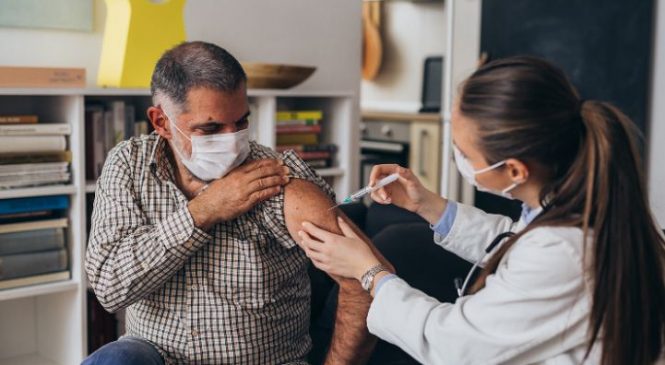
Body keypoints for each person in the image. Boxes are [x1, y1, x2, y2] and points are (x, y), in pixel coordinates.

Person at [297, 56, 665, 365]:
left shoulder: (563, 251)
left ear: (515, 170)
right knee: (381, 219)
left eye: (464, 152)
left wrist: (368, 272)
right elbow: (514, 239)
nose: (457, 158)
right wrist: (427, 204)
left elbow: (451, 344)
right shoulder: (572, 200)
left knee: (391, 240)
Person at [83, 41, 391, 364]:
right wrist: (205, 210)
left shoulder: (275, 179)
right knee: (116, 359)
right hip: (156, 357)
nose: (232, 143)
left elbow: (366, 278)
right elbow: (109, 287)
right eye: (212, 128)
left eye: (241, 122)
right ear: (161, 122)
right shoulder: (129, 164)